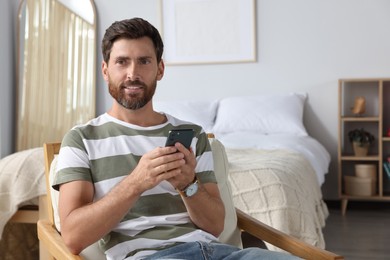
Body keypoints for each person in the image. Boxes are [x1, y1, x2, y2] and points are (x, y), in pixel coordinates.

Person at [53, 17, 299, 260]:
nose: (132, 73)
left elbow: (214, 227)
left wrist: (188, 184)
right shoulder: (81, 140)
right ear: (106, 70)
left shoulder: (193, 134)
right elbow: (74, 237)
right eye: (122, 62)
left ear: (160, 69)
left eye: (144, 61)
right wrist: (137, 182)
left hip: (220, 254)